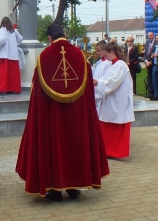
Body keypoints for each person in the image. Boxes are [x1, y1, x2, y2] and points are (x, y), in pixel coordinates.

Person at [16, 23, 109, 201]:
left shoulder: (43, 58)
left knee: (55, 145)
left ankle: (54, 189)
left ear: (49, 38)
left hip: (53, 116)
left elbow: (37, 95)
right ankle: (74, 188)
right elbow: (89, 92)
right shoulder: (81, 57)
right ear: (65, 34)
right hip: (77, 117)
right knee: (75, 144)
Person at [93, 42, 134, 159]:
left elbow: (113, 82)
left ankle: (116, 151)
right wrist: (98, 82)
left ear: (112, 52)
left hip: (117, 101)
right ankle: (107, 150)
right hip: (110, 100)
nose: (105, 57)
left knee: (116, 124)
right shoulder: (112, 64)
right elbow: (106, 79)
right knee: (105, 123)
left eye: (106, 54)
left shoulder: (121, 65)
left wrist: (98, 83)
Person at [0, 17, 23, 95]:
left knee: (3, 74)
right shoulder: (14, 31)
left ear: (2, 23)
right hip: (13, 55)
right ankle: (13, 89)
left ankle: (2, 89)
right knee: (13, 74)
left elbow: (1, 40)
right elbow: (21, 39)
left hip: (5, 55)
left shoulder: (2, 30)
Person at [144, 31, 155, 98]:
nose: (149, 37)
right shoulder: (147, 42)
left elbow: (156, 52)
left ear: (153, 35)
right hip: (148, 63)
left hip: (153, 64)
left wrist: (151, 62)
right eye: (148, 36)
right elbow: (145, 53)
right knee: (149, 79)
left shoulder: (156, 43)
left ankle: (155, 93)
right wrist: (146, 61)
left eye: (150, 36)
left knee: (154, 79)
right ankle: (150, 93)